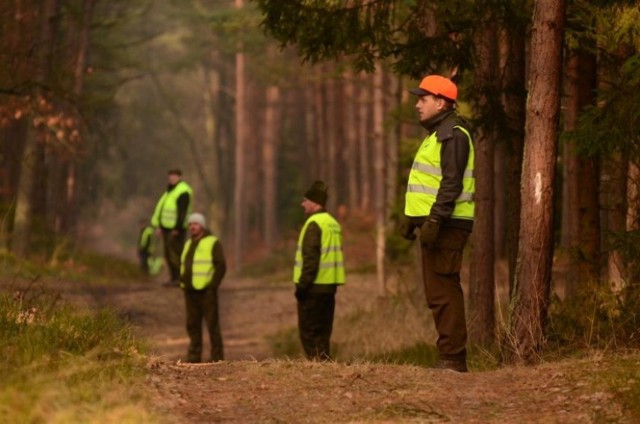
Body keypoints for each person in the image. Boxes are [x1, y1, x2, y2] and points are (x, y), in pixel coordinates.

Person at [402, 75, 475, 372]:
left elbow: (451, 183)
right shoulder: (437, 134)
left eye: (423, 99)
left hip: (446, 225)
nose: (418, 105)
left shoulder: (453, 135)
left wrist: (434, 219)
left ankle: (453, 360)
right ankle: (450, 357)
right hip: (438, 225)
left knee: (444, 292)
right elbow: (429, 184)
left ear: (441, 102)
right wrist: (412, 219)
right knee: (437, 293)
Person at [293, 180, 345, 360]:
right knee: (323, 332)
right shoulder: (333, 223)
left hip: (313, 287)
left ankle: (316, 368)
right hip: (329, 287)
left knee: (309, 332)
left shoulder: (313, 224)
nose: (302, 204)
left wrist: (301, 286)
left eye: (305, 200)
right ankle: (325, 367)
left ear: (314, 203)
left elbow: (311, 259)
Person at [179, 212, 227, 363]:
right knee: (192, 325)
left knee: (212, 324)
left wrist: (213, 285)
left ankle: (217, 357)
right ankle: (194, 356)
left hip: (207, 292)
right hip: (190, 291)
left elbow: (221, 265)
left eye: (196, 224)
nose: (193, 227)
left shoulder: (212, 242)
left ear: (202, 226)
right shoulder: (188, 244)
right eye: (191, 224)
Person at [151, 169, 193, 287]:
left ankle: (180, 278)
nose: (172, 178)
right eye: (170, 176)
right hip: (166, 228)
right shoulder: (170, 191)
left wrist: (178, 228)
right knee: (168, 255)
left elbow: (182, 212)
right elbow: (162, 210)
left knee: (176, 254)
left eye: (174, 176)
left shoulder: (183, 191)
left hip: (176, 230)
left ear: (180, 177)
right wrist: (159, 226)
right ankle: (173, 278)